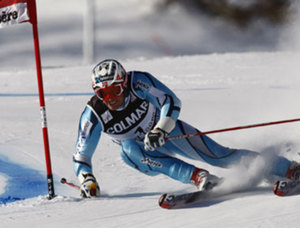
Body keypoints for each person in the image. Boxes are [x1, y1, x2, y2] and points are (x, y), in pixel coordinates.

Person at [73, 59, 300, 197]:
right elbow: (81, 156)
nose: (109, 97)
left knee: (220, 156)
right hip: (143, 155)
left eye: (114, 90)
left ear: (123, 84)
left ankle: (288, 168)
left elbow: (170, 101)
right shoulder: (93, 115)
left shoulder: (138, 82)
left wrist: (160, 129)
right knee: (128, 148)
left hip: (168, 132)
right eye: (102, 93)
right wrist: (87, 180)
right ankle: (199, 178)